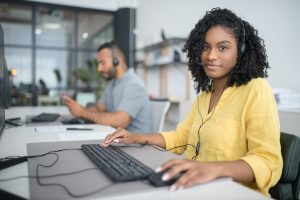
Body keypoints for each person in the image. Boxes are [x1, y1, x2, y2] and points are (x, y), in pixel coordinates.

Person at [101, 8, 283, 196]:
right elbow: (181, 137)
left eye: (223, 47)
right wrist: (137, 137)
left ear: (241, 51)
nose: (211, 55)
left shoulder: (256, 89)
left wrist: (213, 168)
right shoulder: (205, 94)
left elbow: (268, 162)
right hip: (196, 187)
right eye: (205, 47)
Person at [63, 41, 151, 133]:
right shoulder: (112, 83)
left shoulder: (134, 84)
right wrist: (78, 109)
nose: (99, 69)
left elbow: (120, 121)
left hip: (137, 145)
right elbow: (99, 108)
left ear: (116, 61)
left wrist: (83, 113)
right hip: (116, 138)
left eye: (103, 63)